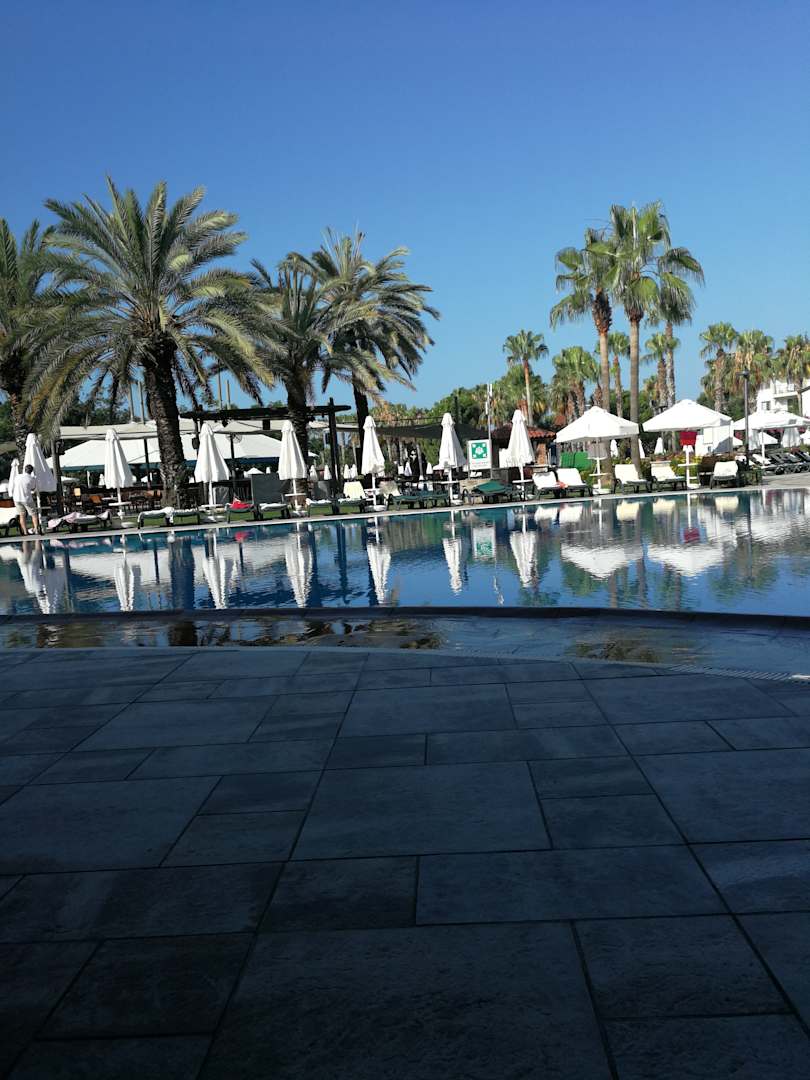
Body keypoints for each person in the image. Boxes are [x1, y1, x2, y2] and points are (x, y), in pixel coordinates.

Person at [13, 464, 39, 535]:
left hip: (17, 498)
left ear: (24, 470)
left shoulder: (17, 476)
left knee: (22, 515)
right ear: (31, 471)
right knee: (33, 514)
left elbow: (15, 484)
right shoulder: (31, 478)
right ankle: (36, 530)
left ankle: (25, 532)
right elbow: (33, 488)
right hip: (26, 499)